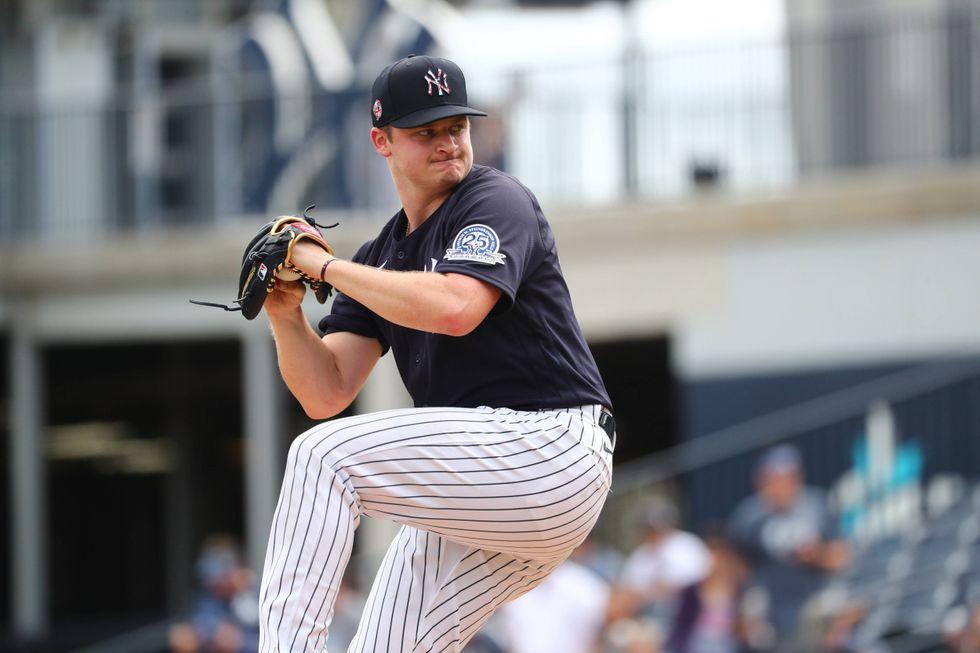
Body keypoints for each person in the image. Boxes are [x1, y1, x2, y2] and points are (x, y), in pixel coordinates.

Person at [256, 54, 615, 652]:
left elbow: (456, 307)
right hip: (483, 487)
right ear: (382, 142)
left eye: (456, 126)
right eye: (426, 132)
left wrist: (323, 266)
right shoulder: (378, 259)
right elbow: (326, 391)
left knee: (322, 458)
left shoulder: (494, 201)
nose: (448, 142)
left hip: (550, 450)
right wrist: (285, 315)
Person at [727, 444, 850, 651]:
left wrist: (815, 555)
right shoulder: (748, 517)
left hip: (815, 604)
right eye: (774, 478)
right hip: (772, 614)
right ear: (761, 481)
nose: (781, 485)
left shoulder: (816, 506)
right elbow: (738, 569)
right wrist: (746, 609)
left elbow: (841, 558)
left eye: (787, 477)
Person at [608, 497, 711, 632]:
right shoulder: (639, 555)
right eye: (648, 528)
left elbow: (705, 579)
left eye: (655, 526)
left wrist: (664, 588)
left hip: (692, 612)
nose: (653, 531)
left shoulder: (686, 543)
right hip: (651, 616)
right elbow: (627, 590)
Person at [168, 534, 260, 653]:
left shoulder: (259, 595)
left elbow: (279, 644)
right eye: (209, 572)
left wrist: (239, 641)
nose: (213, 581)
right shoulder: (204, 599)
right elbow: (198, 627)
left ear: (236, 566)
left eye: (220, 570)